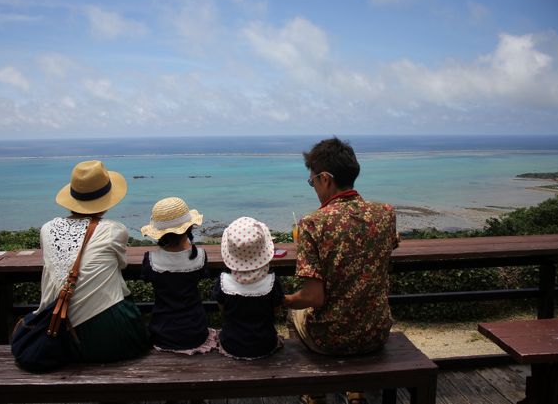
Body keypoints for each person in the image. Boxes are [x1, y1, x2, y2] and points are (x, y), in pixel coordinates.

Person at [283, 138, 398, 404]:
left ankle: (315, 392)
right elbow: (391, 242)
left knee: (294, 312)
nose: (313, 187)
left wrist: (283, 300)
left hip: (330, 339)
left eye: (312, 181)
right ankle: (356, 390)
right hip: (376, 331)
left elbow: (313, 298)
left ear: (325, 179)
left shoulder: (313, 224)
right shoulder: (386, 214)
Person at [36, 160, 150, 362]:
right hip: (110, 335)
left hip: (55, 333)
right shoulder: (114, 230)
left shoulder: (47, 229)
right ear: (107, 199)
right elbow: (121, 264)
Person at [140, 197, 218, 354]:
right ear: (189, 229)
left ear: (159, 235)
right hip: (195, 331)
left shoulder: (151, 260)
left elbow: (146, 276)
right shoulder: (199, 257)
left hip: (162, 332)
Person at [213, 216, 285, 359]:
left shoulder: (223, 283)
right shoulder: (271, 283)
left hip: (231, 344)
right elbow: (276, 310)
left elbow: (222, 310)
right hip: (266, 344)